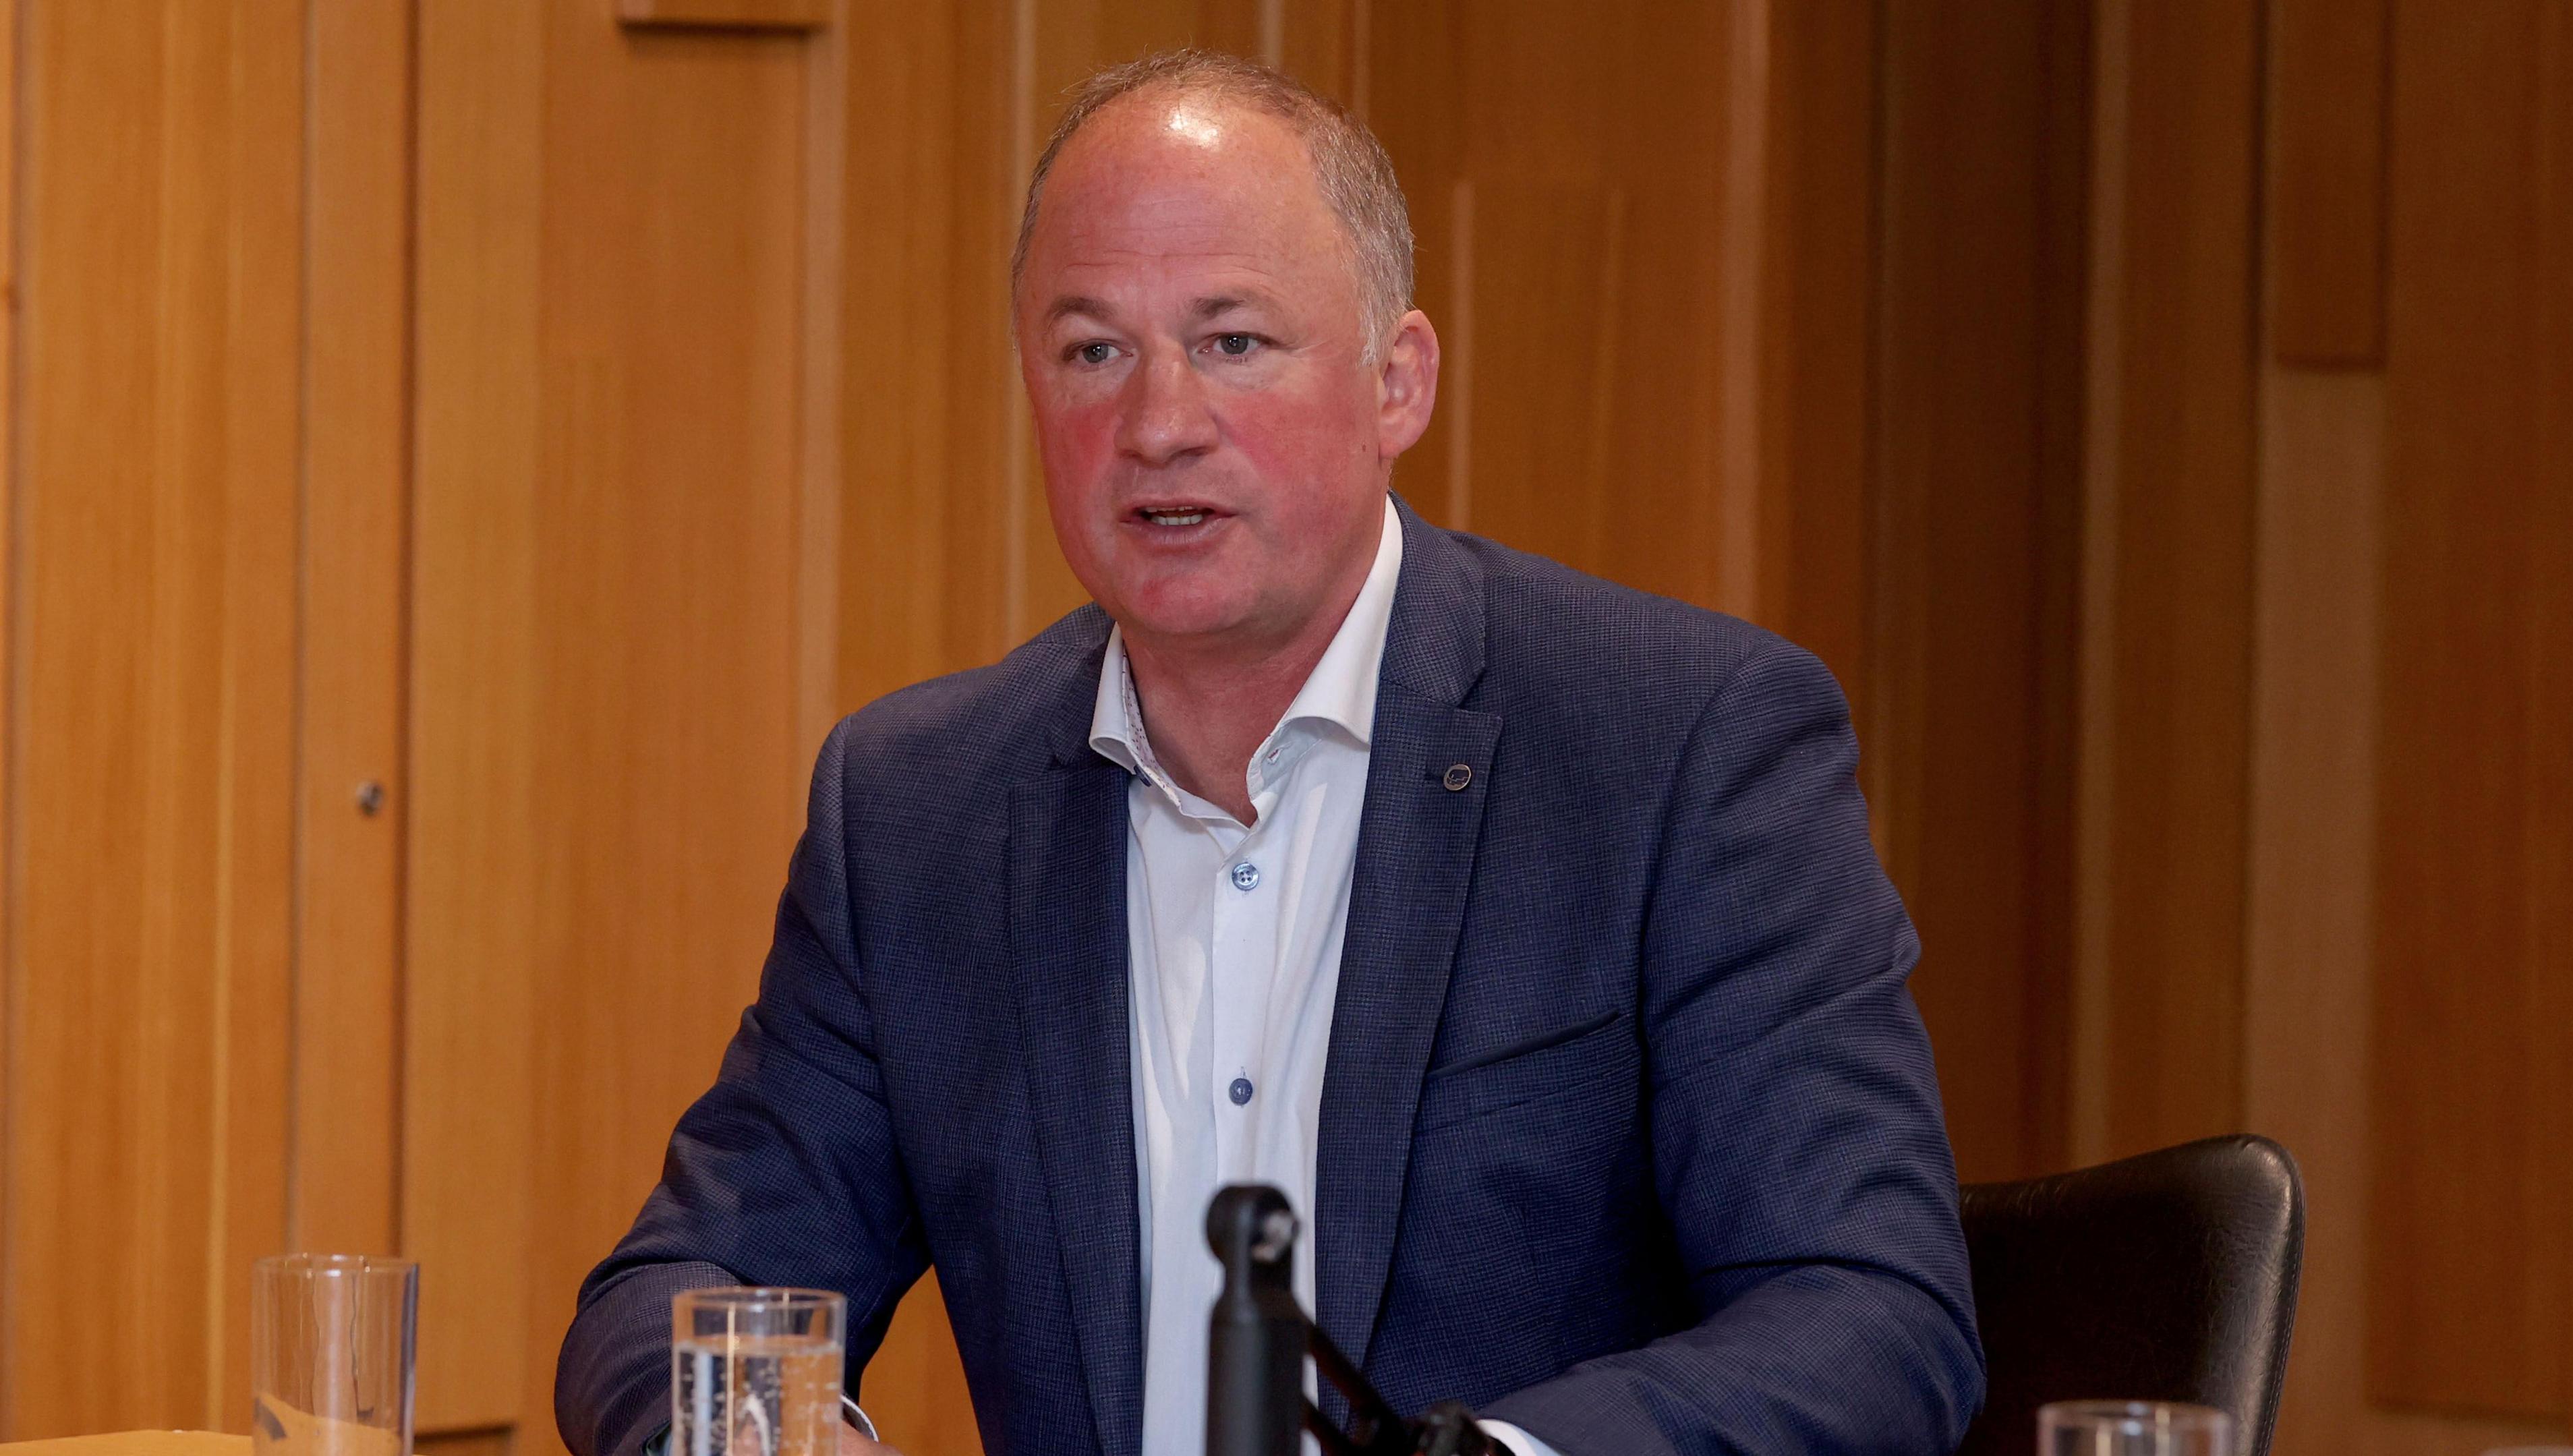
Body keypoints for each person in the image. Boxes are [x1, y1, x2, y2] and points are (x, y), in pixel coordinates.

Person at [556, 49, 1982, 1456]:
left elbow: (1867, 1314)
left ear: (1396, 384)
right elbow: (683, 1291)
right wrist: (760, 1435)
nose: (1159, 424)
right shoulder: (919, 809)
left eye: (1233, 341)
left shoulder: (1678, 747)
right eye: (1091, 351)